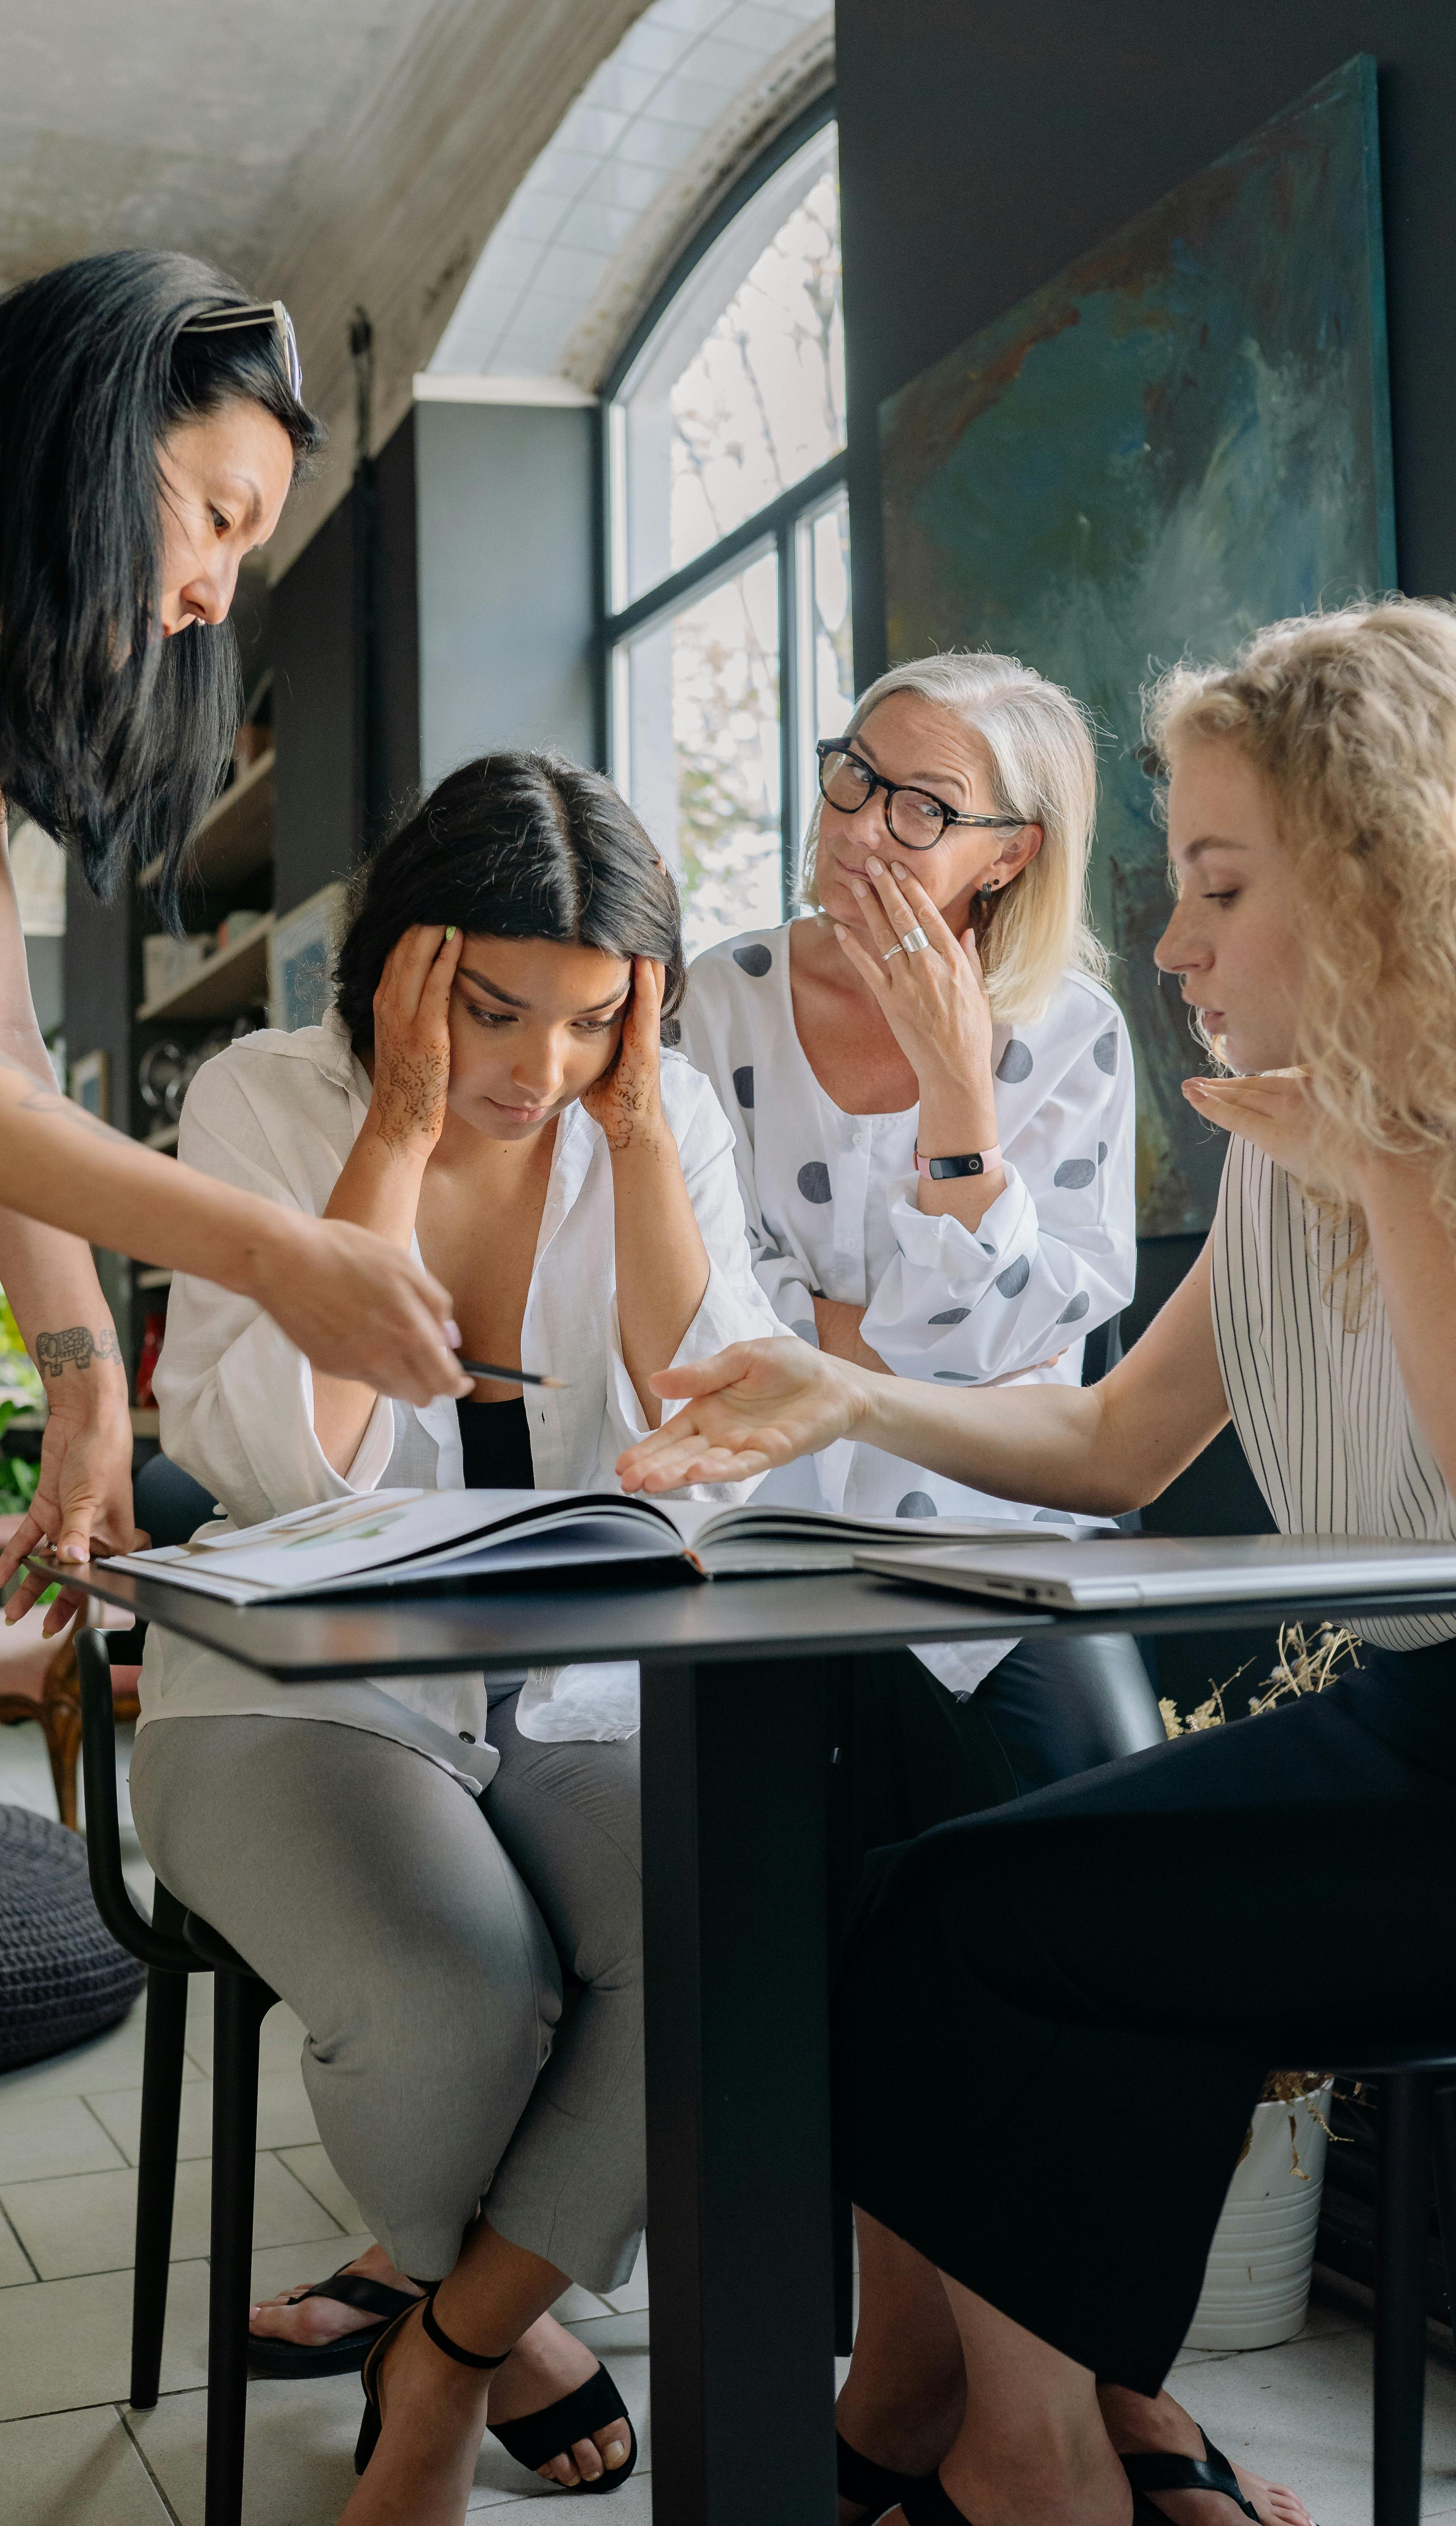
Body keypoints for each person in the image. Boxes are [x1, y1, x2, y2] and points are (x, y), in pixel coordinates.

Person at [613, 599, 1456, 2526]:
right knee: (936, 1911)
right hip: (1408, 1722)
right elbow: (1101, 1438)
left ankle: (994, 2435)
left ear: (1378, 880)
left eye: (1224, 888)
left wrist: (1386, 1152)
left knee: (985, 1915)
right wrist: (839, 1397)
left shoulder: (1369, 1132)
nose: (1170, 944)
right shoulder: (1276, 1141)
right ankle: (988, 2420)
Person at [131, 751, 785, 2515]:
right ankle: (506, 2324)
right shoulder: (269, 1099)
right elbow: (268, 1460)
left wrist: (644, 1140)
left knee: (738, 1946)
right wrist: (398, 1134)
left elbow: (712, 1442)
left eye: (589, 1021)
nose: (539, 1068)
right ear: (406, 959)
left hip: (572, 1692)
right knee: (454, 1993)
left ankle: (447, 2341)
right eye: (494, 1010)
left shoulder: (651, 1121)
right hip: (291, 1694)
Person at [0, 250, 463, 1634]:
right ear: (99, 421)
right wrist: (274, 1254)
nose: (216, 596)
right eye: (218, 515)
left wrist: (86, 1385)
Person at [681, 651, 1162, 1826]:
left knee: (1118, 1823)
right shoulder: (721, 1000)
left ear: (1009, 853)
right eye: (855, 776)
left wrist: (958, 1090)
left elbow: (1034, 1336)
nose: (860, 828)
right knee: (763, 1892)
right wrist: (921, 1346)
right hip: (758, 1523)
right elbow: (719, 1315)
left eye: (924, 808)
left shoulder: (1069, 1034)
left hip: (992, 1524)